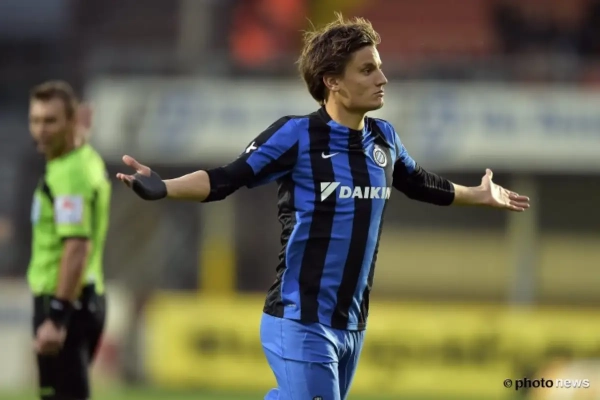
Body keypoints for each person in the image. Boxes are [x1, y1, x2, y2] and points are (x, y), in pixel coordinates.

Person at [116, 14, 530, 400]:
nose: (382, 78)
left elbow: (420, 182)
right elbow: (225, 178)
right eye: (367, 70)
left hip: (351, 325)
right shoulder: (296, 136)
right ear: (333, 81)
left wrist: (478, 194)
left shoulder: (384, 139)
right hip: (300, 319)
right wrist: (163, 187)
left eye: (379, 67)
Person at [27, 80, 111, 400]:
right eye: (35, 120)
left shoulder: (69, 175)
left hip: (64, 299)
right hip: (84, 298)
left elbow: (76, 246)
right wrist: (79, 132)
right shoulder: (81, 158)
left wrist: (57, 317)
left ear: (70, 121)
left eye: (50, 121)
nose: (41, 130)